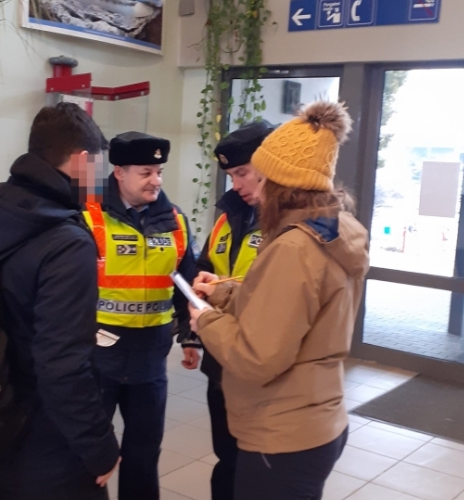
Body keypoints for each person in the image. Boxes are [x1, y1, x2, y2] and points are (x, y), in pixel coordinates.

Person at [189, 101, 370, 500]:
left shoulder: (293, 248)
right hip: (318, 416)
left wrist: (205, 319)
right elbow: (290, 311)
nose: (252, 187)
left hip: (283, 433)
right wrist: (222, 294)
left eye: (259, 175)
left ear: (281, 182)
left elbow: (257, 358)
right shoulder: (333, 230)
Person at [0, 103, 119, 500]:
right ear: (82, 161)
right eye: (99, 166)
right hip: (47, 441)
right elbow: (62, 364)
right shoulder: (65, 242)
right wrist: (99, 446)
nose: (100, 178)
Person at [83, 131, 199, 500]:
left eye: (159, 172)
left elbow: (186, 283)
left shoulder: (175, 220)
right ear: (119, 172)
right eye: (145, 172)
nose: (156, 180)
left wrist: (190, 336)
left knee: (144, 454)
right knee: (88, 457)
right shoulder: (87, 217)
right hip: (97, 357)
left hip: (150, 358)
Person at [195, 121, 272, 500]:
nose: (236, 184)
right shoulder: (228, 216)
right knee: (227, 458)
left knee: (258, 468)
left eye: (242, 173)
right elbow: (207, 262)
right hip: (221, 359)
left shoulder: (289, 227)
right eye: (230, 176)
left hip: (260, 362)